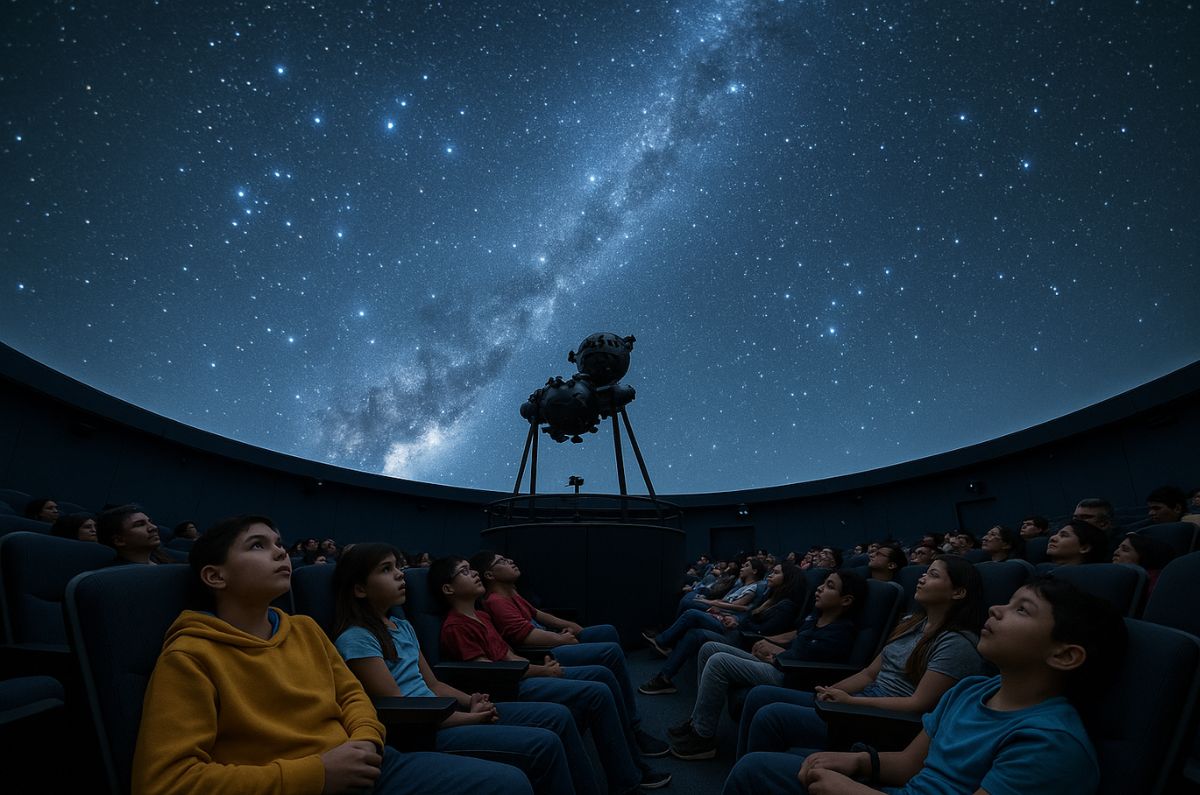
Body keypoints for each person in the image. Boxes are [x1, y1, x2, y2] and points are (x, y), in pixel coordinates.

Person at [132, 515, 532, 795]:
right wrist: (317, 774)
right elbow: (166, 783)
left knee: (507, 783)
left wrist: (365, 743)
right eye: (258, 545)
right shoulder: (189, 655)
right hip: (295, 783)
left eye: (278, 543)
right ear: (215, 576)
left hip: (366, 762)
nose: (279, 552)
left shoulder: (304, 629)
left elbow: (354, 698)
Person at [724, 577, 1127, 795]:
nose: (997, 609)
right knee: (755, 769)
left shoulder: (1050, 744)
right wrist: (861, 763)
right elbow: (910, 765)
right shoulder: (970, 690)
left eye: (1022, 610)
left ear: (1065, 655)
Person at [331, 544, 578, 794]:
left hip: (440, 715)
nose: (399, 574)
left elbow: (433, 685)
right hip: (420, 732)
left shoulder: (401, 626)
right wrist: (470, 717)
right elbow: (403, 707)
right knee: (541, 747)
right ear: (360, 589)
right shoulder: (357, 639)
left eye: (397, 566)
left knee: (554, 724)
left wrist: (472, 700)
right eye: (386, 569)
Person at [431, 555, 671, 792]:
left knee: (601, 678)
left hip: (522, 673)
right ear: (448, 588)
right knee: (598, 690)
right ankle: (628, 779)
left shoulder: (481, 615)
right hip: (508, 687)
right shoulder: (456, 626)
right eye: (464, 571)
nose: (473, 572)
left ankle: (629, 757)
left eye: (471, 569)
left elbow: (508, 656)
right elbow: (490, 671)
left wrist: (537, 668)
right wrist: (541, 671)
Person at [735, 555, 986, 760]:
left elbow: (917, 704)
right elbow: (869, 674)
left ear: (958, 592)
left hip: (879, 721)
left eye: (933, 575)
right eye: (925, 572)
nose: (922, 578)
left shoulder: (956, 643)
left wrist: (849, 703)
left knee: (771, 716)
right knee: (760, 695)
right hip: (859, 701)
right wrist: (830, 692)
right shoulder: (912, 623)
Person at [470, 550, 669, 758]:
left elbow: (539, 615)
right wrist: (562, 639)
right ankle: (632, 727)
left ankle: (619, 711)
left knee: (607, 631)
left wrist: (573, 627)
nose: (510, 561)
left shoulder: (512, 592)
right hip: (542, 653)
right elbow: (524, 637)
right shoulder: (496, 601)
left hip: (550, 642)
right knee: (610, 653)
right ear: (490, 575)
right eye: (501, 561)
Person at [667, 570, 868, 760]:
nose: (820, 588)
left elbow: (808, 661)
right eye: (822, 583)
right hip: (778, 664)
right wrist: (771, 645)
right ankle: (697, 722)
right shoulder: (815, 616)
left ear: (846, 600)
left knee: (720, 662)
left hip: (790, 676)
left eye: (829, 586)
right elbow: (797, 639)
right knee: (710, 648)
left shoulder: (841, 633)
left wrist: (775, 656)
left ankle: (703, 739)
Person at [639, 563, 803, 696]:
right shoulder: (770, 597)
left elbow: (762, 631)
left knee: (692, 616)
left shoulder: (785, 606)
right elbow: (750, 617)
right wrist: (734, 619)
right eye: (771, 572)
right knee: (693, 632)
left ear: (787, 579)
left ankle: (663, 646)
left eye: (776, 573)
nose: (770, 575)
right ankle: (665, 677)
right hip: (736, 629)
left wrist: (737, 622)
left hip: (745, 642)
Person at [96, 504, 174, 564]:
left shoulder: (164, 560)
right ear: (119, 540)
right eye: (140, 524)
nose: (154, 527)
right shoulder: (114, 577)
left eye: (150, 522)